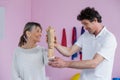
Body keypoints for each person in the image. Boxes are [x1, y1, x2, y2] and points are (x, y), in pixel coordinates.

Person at [49, 7, 117, 80]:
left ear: (95, 20)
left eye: (86, 24)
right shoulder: (85, 35)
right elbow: (69, 51)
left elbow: (94, 63)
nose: (84, 27)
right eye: (83, 24)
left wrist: (65, 64)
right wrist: (55, 44)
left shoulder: (109, 38)